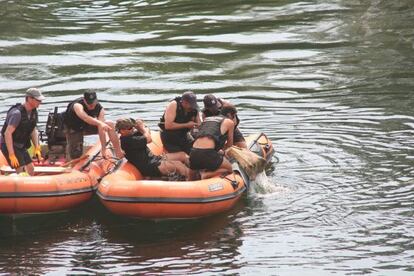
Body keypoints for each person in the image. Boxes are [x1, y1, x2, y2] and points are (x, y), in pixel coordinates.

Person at [116, 118, 190, 180]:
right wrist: (142, 128)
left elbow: (147, 130)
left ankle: (195, 169)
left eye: (133, 127)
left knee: (182, 155)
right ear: (122, 131)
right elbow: (149, 139)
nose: (132, 129)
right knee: (178, 165)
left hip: (154, 159)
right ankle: (193, 180)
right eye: (130, 128)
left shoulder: (132, 135)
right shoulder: (127, 141)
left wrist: (140, 126)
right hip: (149, 166)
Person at [63, 91, 124, 160]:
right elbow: (85, 118)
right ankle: (71, 161)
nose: (91, 105)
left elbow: (101, 130)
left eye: (92, 103)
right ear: (84, 100)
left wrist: (103, 149)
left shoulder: (100, 108)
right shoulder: (77, 105)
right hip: (74, 128)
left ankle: (118, 152)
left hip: (87, 125)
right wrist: (100, 123)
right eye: (88, 103)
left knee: (110, 123)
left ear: (96, 100)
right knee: (75, 154)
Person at [0, 88, 45, 175]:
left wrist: (37, 147)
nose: (40, 102)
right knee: (20, 169)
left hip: (21, 145)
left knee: (31, 168)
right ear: (29, 99)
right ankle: (20, 186)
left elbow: (33, 130)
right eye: (38, 100)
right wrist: (11, 154)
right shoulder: (17, 113)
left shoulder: (34, 112)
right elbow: (7, 133)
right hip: (9, 144)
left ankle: (30, 185)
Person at [189, 105, 238, 179]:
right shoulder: (229, 122)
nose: (234, 119)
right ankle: (205, 175)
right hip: (207, 153)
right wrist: (223, 152)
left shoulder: (207, 119)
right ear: (229, 115)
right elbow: (229, 145)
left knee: (191, 176)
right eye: (234, 116)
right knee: (229, 169)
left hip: (193, 152)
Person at [158, 91, 201, 158]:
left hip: (184, 135)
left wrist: (197, 126)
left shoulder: (194, 108)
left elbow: (199, 123)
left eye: (193, 105)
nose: (192, 108)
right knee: (184, 158)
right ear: (183, 102)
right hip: (169, 137)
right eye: (190, 105)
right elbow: (168, 126)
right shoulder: (174, 105)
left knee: (196, 153)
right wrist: (187, 125)